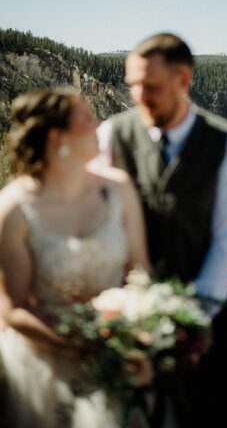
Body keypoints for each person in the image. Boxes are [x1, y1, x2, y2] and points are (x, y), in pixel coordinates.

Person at [96, 32, 227, 427]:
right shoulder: (111, 135)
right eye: (133, 85)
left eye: (151, 86)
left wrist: (189, 319)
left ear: (183, 80)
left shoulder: (224, 144)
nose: (139, 96)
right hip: (129, 308)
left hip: (204, 310)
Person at [0, 90, 151, 427]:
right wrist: (79, 345)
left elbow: (140, 273)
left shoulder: (119, 189)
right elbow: (14, 308)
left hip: (121, 348)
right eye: (87, 118)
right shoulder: (13, 210)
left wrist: (139, 330)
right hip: (46, 362)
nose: (99, 126)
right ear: (58, 137)